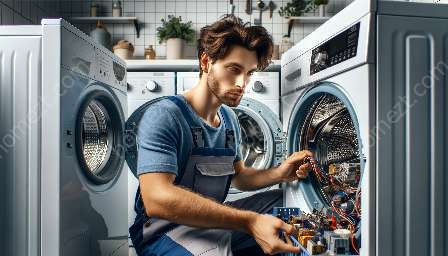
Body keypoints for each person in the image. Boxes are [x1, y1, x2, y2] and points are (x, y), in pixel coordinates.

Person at [129, 15, 313, 256]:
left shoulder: (229, 120)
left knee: (288, 203)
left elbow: (239, 176)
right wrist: (248, 221)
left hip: (210, 219)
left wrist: (280, 173)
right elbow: (156, 198)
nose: (242, 83)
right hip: (163, 231)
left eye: (249, 73)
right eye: (234, 69)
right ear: (206, 62)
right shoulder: (165, 115)